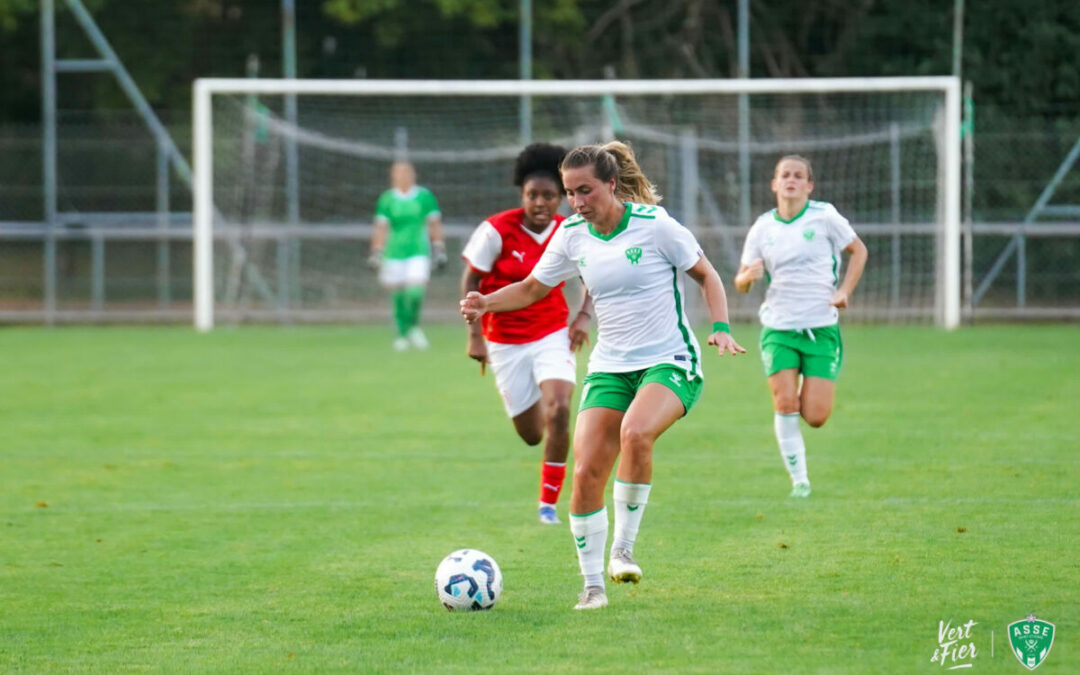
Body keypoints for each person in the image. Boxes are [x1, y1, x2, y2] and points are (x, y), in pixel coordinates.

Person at [461, 141, 745, 610]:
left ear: (611, 185)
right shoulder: (572, 235)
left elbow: (707, 274)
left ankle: (624, 549)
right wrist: (486, 302)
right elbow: (533, 287)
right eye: (570, 193)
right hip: (610, 366)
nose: (576, 202)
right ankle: (592, 588)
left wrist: (720, 327)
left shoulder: (656, 226)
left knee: (635, 432)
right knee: (588, 469)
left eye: (585, 191)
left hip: (669, 360)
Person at [460, 142, 593, 525]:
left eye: (549, 196)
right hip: (504, 340)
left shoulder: (570, 231)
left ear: (561, 199)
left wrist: (583, 317)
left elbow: (592, 278)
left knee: (561, 407)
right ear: (522, 194)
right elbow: (472, 278)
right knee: (533, 434)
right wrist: (475, 336)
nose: (540, 203)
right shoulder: (496, 230)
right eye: (532, 195)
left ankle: (549, 505)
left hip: (553, 332)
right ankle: (532, 410)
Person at [734, 155, 868, 498]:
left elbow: (859, 251)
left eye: (798, 175)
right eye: (784, 175)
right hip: (778, 328)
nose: (791, 180)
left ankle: (810, 380)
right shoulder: (763, 227)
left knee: (816, 415)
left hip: (821, 327)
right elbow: (740, 281)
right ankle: (800, 482)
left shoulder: (824, 216)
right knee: (785, 402)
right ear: (775, 184)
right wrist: (747, 277)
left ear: (809, 185)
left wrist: (844, 291)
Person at [368, 160, 447, 351]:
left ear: (413, 175)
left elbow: (434, 224)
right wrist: (376, 252)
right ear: (393, 176)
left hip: (418, 250)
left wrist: (439, 248)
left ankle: (414, 327)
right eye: (399, 173)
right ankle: (402, 334)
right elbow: (381, 228)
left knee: (415, 292)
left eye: (407, 173)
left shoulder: (424, 197)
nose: (403, 177)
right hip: (394, 252)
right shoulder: (387, 199)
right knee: (398, 295)